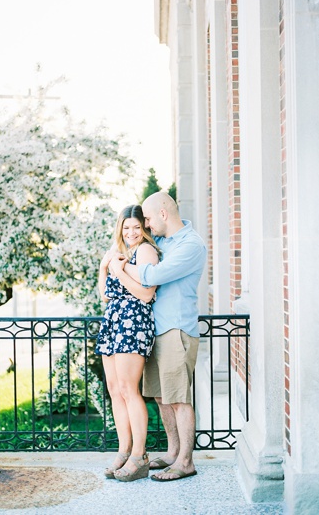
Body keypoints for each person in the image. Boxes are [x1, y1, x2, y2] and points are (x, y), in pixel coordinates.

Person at [109, 191, 207, 482]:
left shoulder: (191, 245)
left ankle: (186, 461)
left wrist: (121, 266)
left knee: (178, 398)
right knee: (162, 397)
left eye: (148, 218)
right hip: (155, 329)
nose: (146, 225)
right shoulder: (163, 242)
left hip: (176, 329)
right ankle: (172, 452)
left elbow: (151, 276)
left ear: (163, 214)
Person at [96, 205, 160, 482]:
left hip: (133, 321)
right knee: (114, 389)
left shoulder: (146, 251)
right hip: (113, 320)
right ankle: (123, 451)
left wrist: (120, 271)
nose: (132, 232)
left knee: (128, 389)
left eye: (137, 227)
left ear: (144, 228)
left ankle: (139, 455)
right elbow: (106, 296)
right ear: (120, 227)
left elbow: (146, 294)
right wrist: (104, 268)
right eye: (127, 227)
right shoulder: (116, 250)